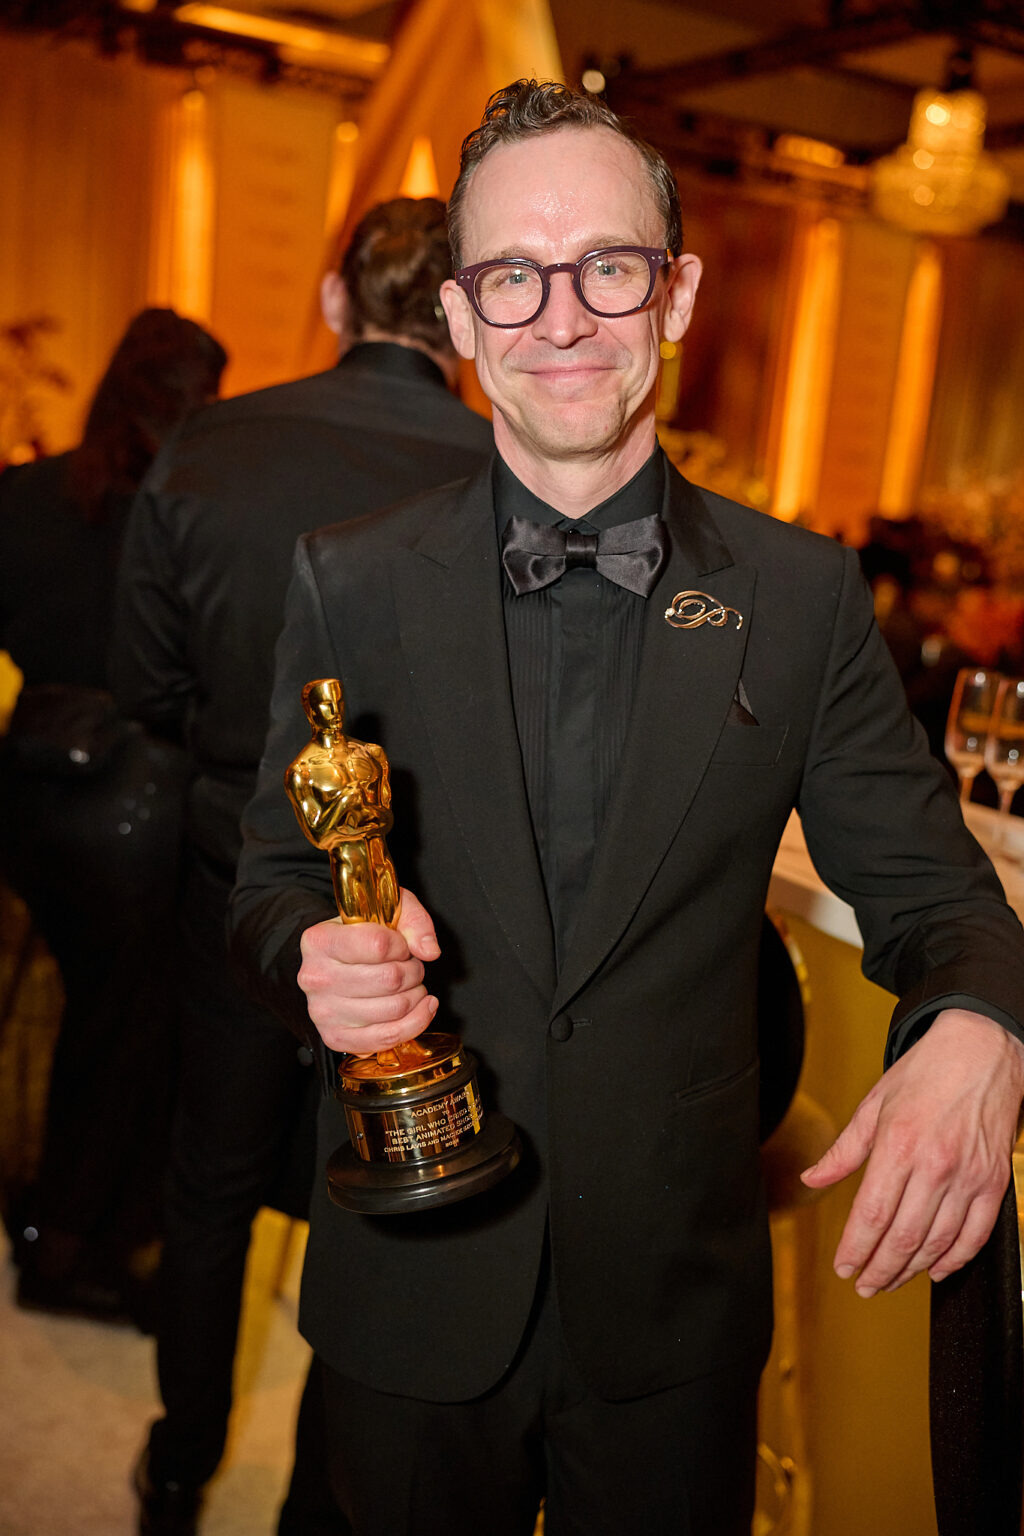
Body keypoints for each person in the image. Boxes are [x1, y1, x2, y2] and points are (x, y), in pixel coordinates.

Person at [229, 82, 1024, 1536]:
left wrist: (980, 1030)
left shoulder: (800, 598)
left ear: (676, 295)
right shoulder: (348, 576)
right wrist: (310, 959)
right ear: (460, 316)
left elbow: (942, 898)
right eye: (512, 276)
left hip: (671, 1313)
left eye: (607, 266)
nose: (561, 317)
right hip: (412, 1278)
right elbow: (274, 879)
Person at [111, 197, 493, 1536]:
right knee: (376, 1194)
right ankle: (316, 1501)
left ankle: (179, 1464)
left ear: (336, 303)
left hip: (235, 862)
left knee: (210, 1181)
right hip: (424, 900)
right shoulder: (509, 472)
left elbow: (144, 683)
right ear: (461, 316)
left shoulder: (210, 443)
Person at [0, 308, 226, 1323]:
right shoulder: (191, 516)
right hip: (138, 813)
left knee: (71, 1015)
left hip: (29, 799)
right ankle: (71, 1248)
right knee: (129, 1038)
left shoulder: (25, 495)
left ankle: (47, 1216)